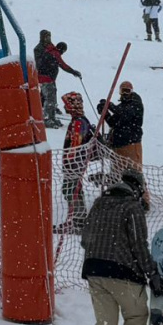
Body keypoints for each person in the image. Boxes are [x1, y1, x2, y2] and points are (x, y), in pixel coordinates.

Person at [80, 167, 152, 325]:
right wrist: (152, 272)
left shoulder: (99, 203)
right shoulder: (132, 207)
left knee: (105, 322)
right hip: (123, 273)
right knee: (136, 316)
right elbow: (139, 246)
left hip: (94, 271)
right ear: (137, 188)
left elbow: (85, 239)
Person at [60, 92, 97, 231]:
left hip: (74, 163)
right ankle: (78, 218)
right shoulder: (81, 120)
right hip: (78, 161)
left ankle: (78, 220)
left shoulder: (78, 122)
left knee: (70, 189)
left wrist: (68, 161)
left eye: (66, 105)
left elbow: (75, 144)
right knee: (74, 188)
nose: (65, 107)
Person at [33, 31, 81, 127]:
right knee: (50, 98)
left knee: (49, 97)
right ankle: (48, 119)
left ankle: (51, 116)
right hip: (47, 78)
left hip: (44, 78)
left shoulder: (46, 49)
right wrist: (74, 72)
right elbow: (63, 65)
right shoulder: (51, 51)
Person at [100, 80, 144, 168]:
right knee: (117, 172)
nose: (124, 94)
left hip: (131, 144)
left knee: (132, 172)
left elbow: (125, 114)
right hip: (118, 145)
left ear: (131, 92)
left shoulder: (136, 104)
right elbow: (113, 123)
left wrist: (109, 105)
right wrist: (105, 113)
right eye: (123, 91)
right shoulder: (121, 106)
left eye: (127, 91)